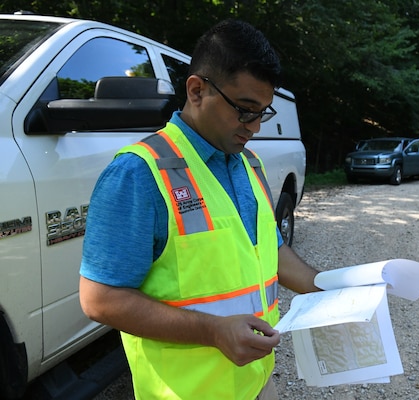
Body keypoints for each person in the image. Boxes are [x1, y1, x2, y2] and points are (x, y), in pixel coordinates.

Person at [79, 19, 321, 400]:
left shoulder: (246, 163)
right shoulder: (138, 173)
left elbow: (270, 251)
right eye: (245, 110)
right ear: (196, 90)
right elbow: (100, 299)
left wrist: (329, 286)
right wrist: (213, 330)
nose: (255, 127)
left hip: (256, 381)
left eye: (264, 112)